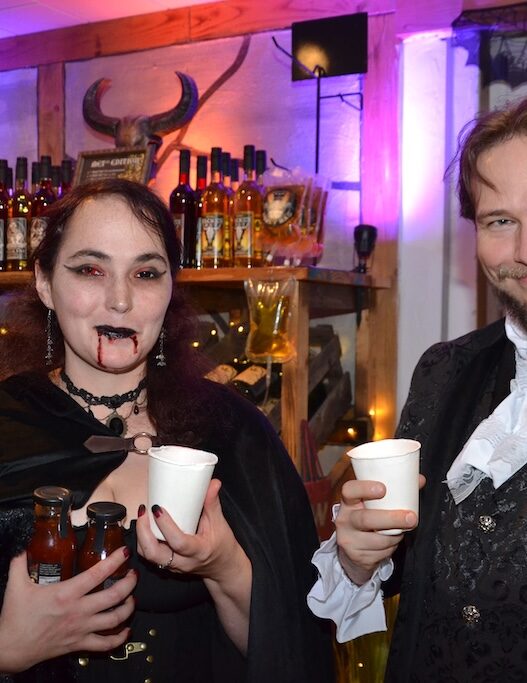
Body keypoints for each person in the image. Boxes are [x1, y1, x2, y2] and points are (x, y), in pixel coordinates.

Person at [0, 178, 333, 682]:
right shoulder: (7, 423)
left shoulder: (232, 431)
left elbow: (296, 651)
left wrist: (224, 567)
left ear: (170, 288)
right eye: (90, 269)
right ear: (45, 283)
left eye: (146, 273)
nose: (120, 300)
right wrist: (9, 649)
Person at [308, 96, 527, 681]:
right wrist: (358, 556)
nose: (523, 251)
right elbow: (407, 564)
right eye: (500, 221)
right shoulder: (444, 370)